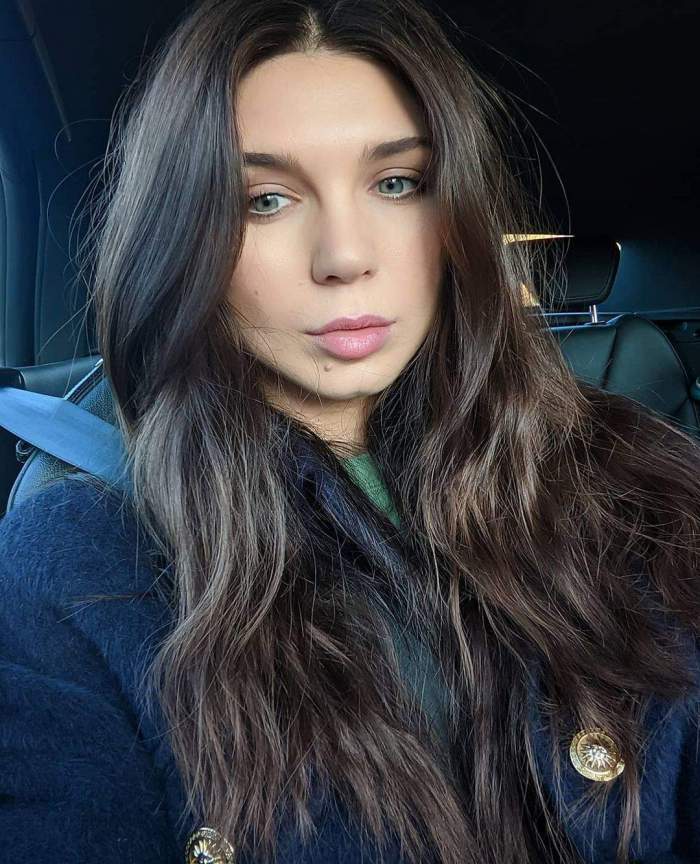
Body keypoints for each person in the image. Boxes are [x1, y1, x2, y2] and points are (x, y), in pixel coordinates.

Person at [0, 0, 699, 862]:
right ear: (184, 238)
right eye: (264, 199)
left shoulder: (637, 484)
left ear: (458, 214)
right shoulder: (71, 571)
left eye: (396, 183)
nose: (343, 256)